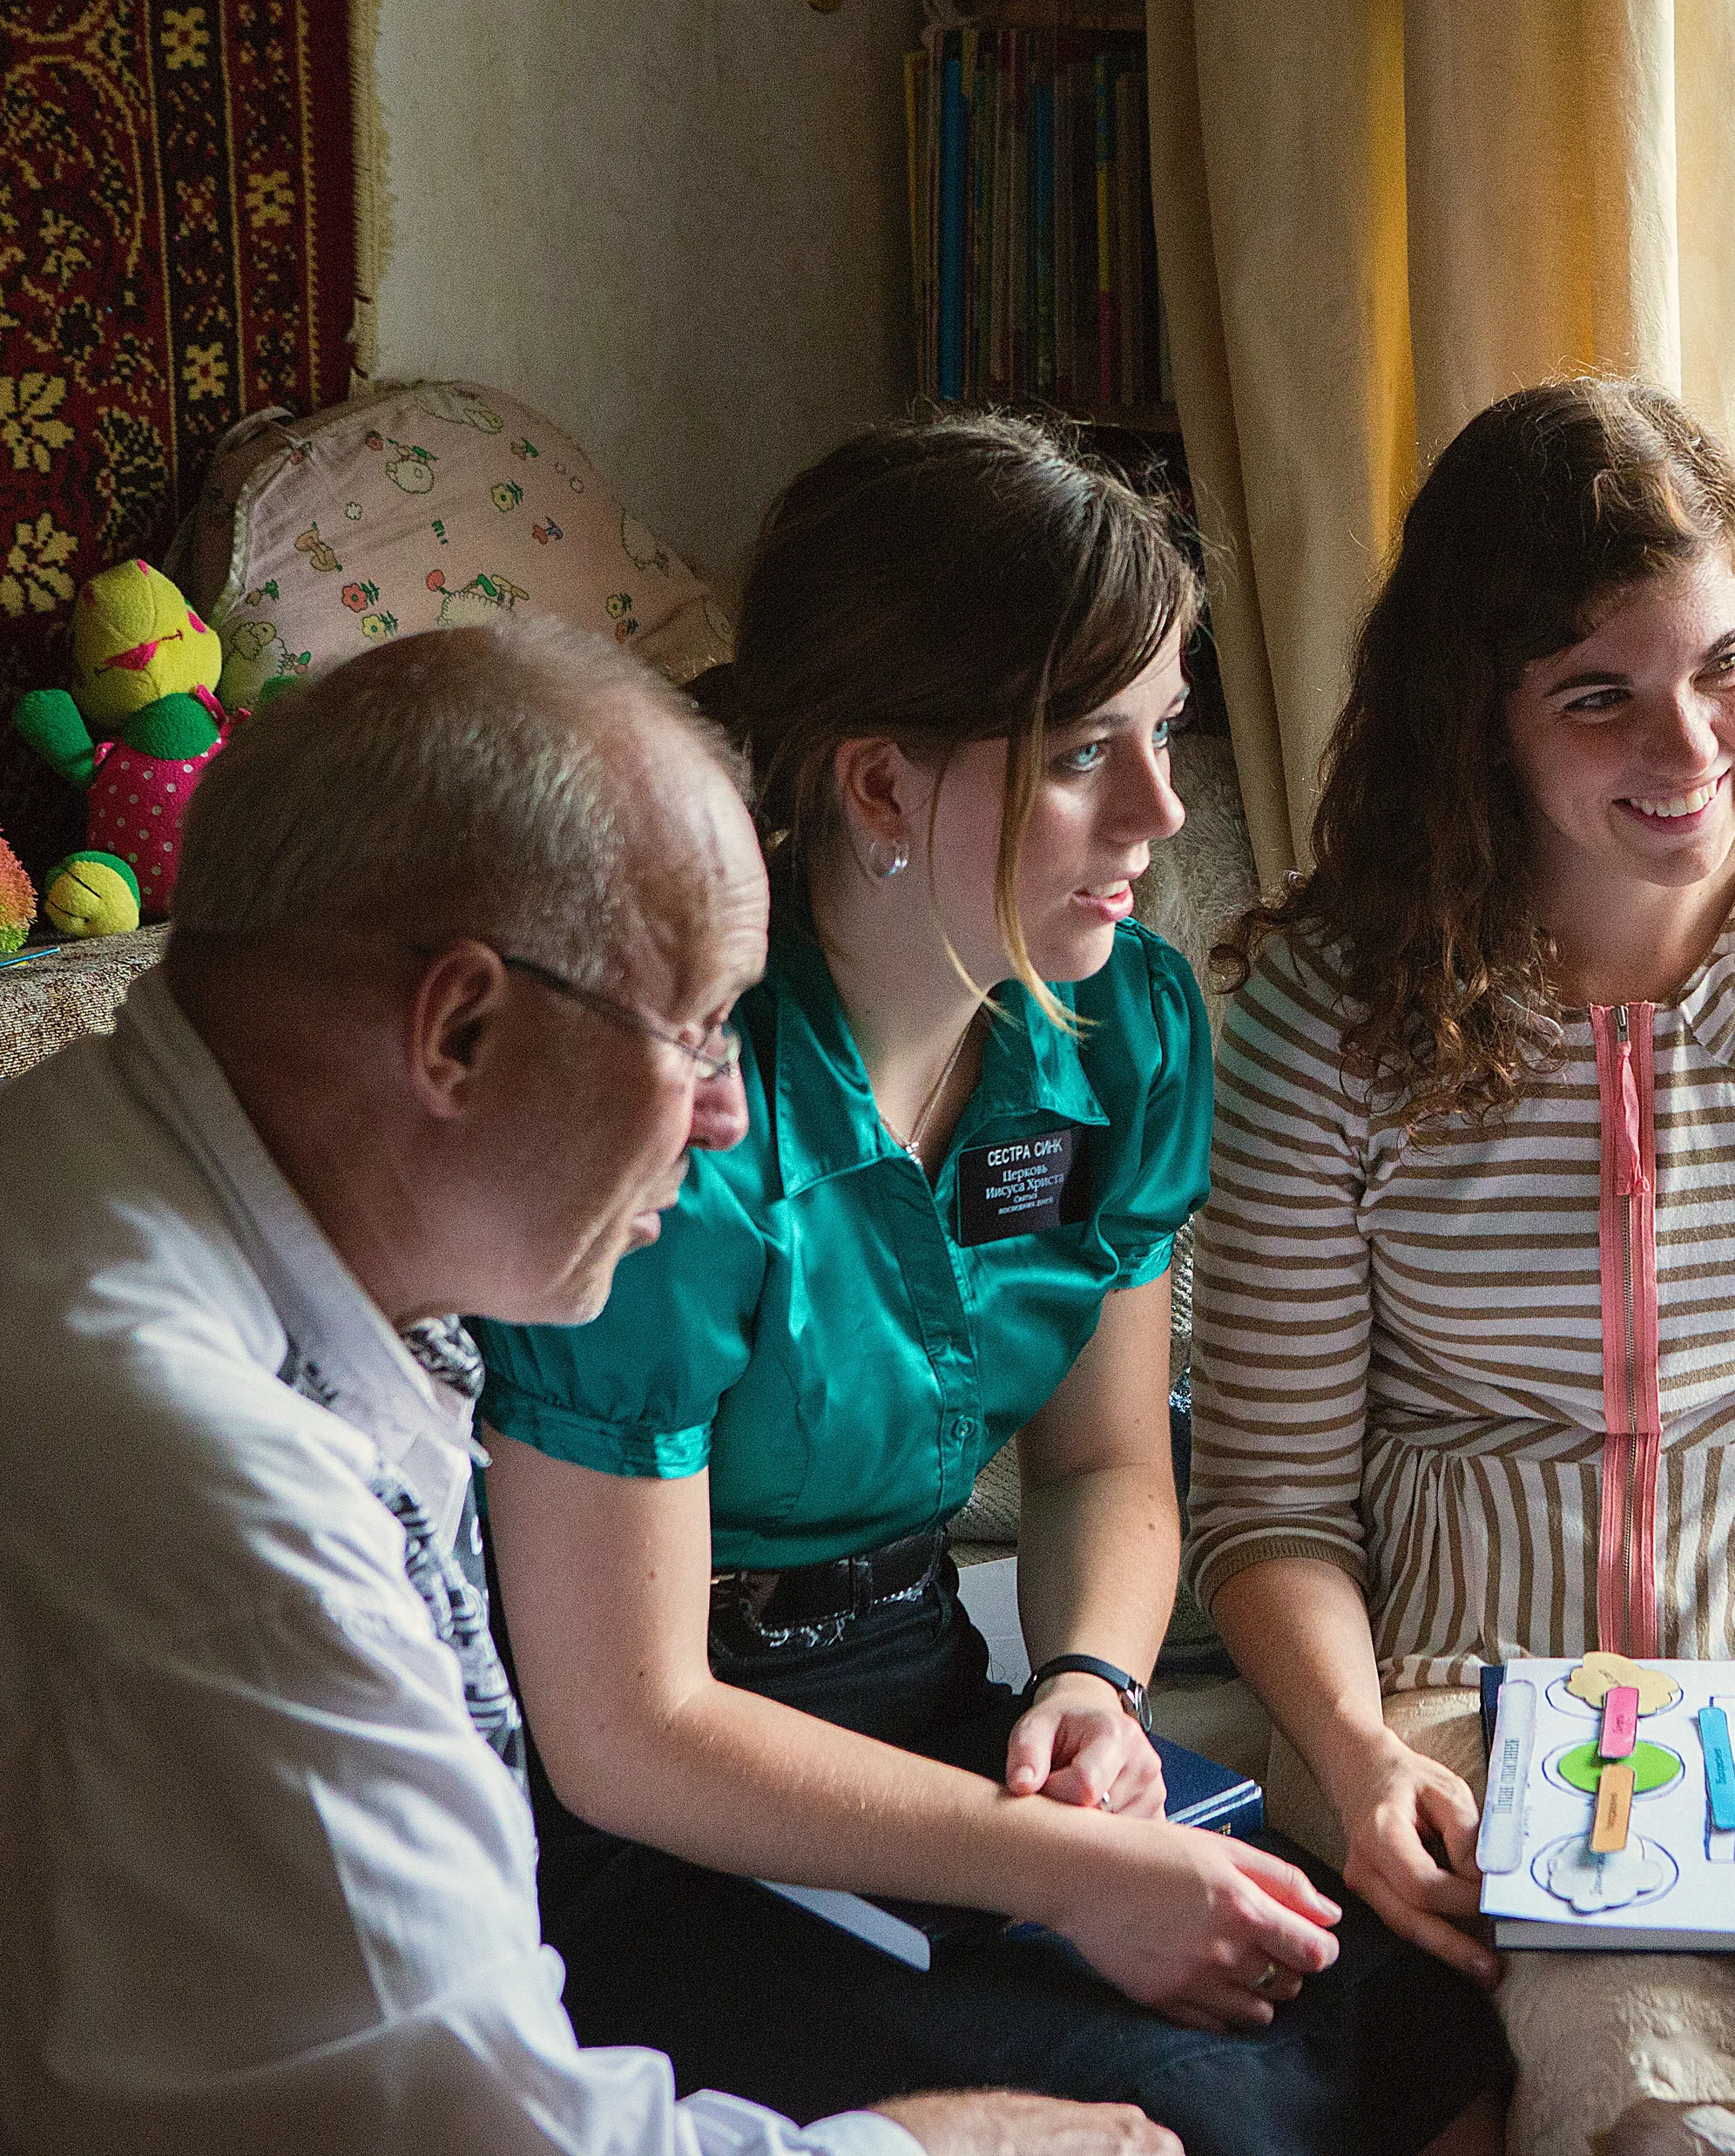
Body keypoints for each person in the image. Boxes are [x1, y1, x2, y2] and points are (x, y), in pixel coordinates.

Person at [0, 623, 1174, 2153]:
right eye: (697, 1032)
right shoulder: (220, 1536)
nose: (725, 1115)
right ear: (460, 1028)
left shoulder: (37, 1164)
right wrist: (948, 2147)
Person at [469, 413, 1509, 2156]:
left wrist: (1090, 1688)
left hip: (943, 1705)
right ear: (878, 785)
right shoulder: (679, 1106)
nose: (1166, 814)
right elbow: (628, 1731)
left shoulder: (1121, 1028)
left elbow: (1106, 1463)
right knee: (1209, 2116)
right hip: (672, 1820)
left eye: (1165, 732)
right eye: (1092, 753)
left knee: (1429, 2009)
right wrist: (1076, 1867)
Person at [1187, 376, 1735, 2156]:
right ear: (1480, 726)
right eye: (1598, 697)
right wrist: (1364, 1761)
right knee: (1640, 2085)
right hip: (1463, 1690)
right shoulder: (1333, 1011)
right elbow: (1270, 1504)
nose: (1690, 752)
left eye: (1724, 666)